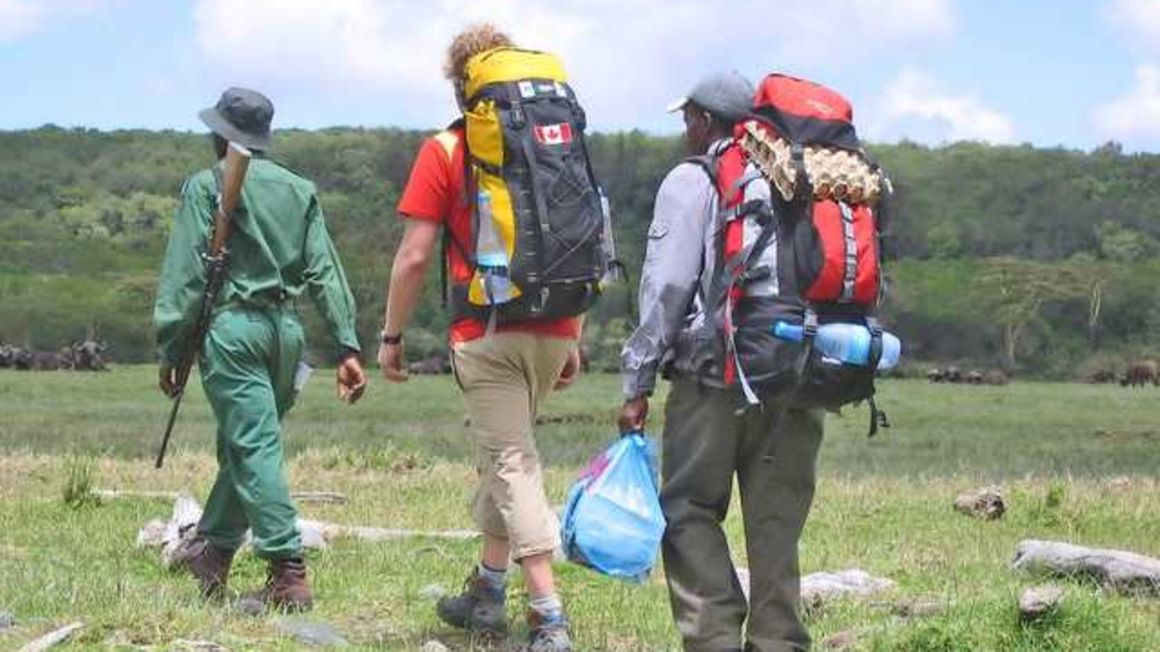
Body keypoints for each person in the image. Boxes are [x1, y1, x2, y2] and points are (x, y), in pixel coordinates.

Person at [377, 23, 582, 652]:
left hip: (487, 331)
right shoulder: (556, 147)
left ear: (461, 83)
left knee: (513, 463)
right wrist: (574, 332)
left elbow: (414, 257)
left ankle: (548, 616)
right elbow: (581, 235)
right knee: (503, 455)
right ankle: (488, 591)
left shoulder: (446, 149)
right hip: (555, 326)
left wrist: (391, 336)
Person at [618, 72, 827, 652]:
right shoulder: (804, 176)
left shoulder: (694, 179)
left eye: (689, 117)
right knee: (776, 521)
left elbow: (666, 287)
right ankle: (779, 642)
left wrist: (637, 381)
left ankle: (713, 636)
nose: (685, 128)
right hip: (799, 372)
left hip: (716, 375)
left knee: (688, 509)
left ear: (706, 121)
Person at [154, 87, 367, 612]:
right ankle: (216, 552)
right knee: (245, 448)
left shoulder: (205, 186)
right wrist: (346, 344)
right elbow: (325, 271)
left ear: (218, 134)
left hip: (233, 330)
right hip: (285, 336)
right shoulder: (300, 191)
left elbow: (185, 278)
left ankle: (286, 570)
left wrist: (172, 349)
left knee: (252, 447)